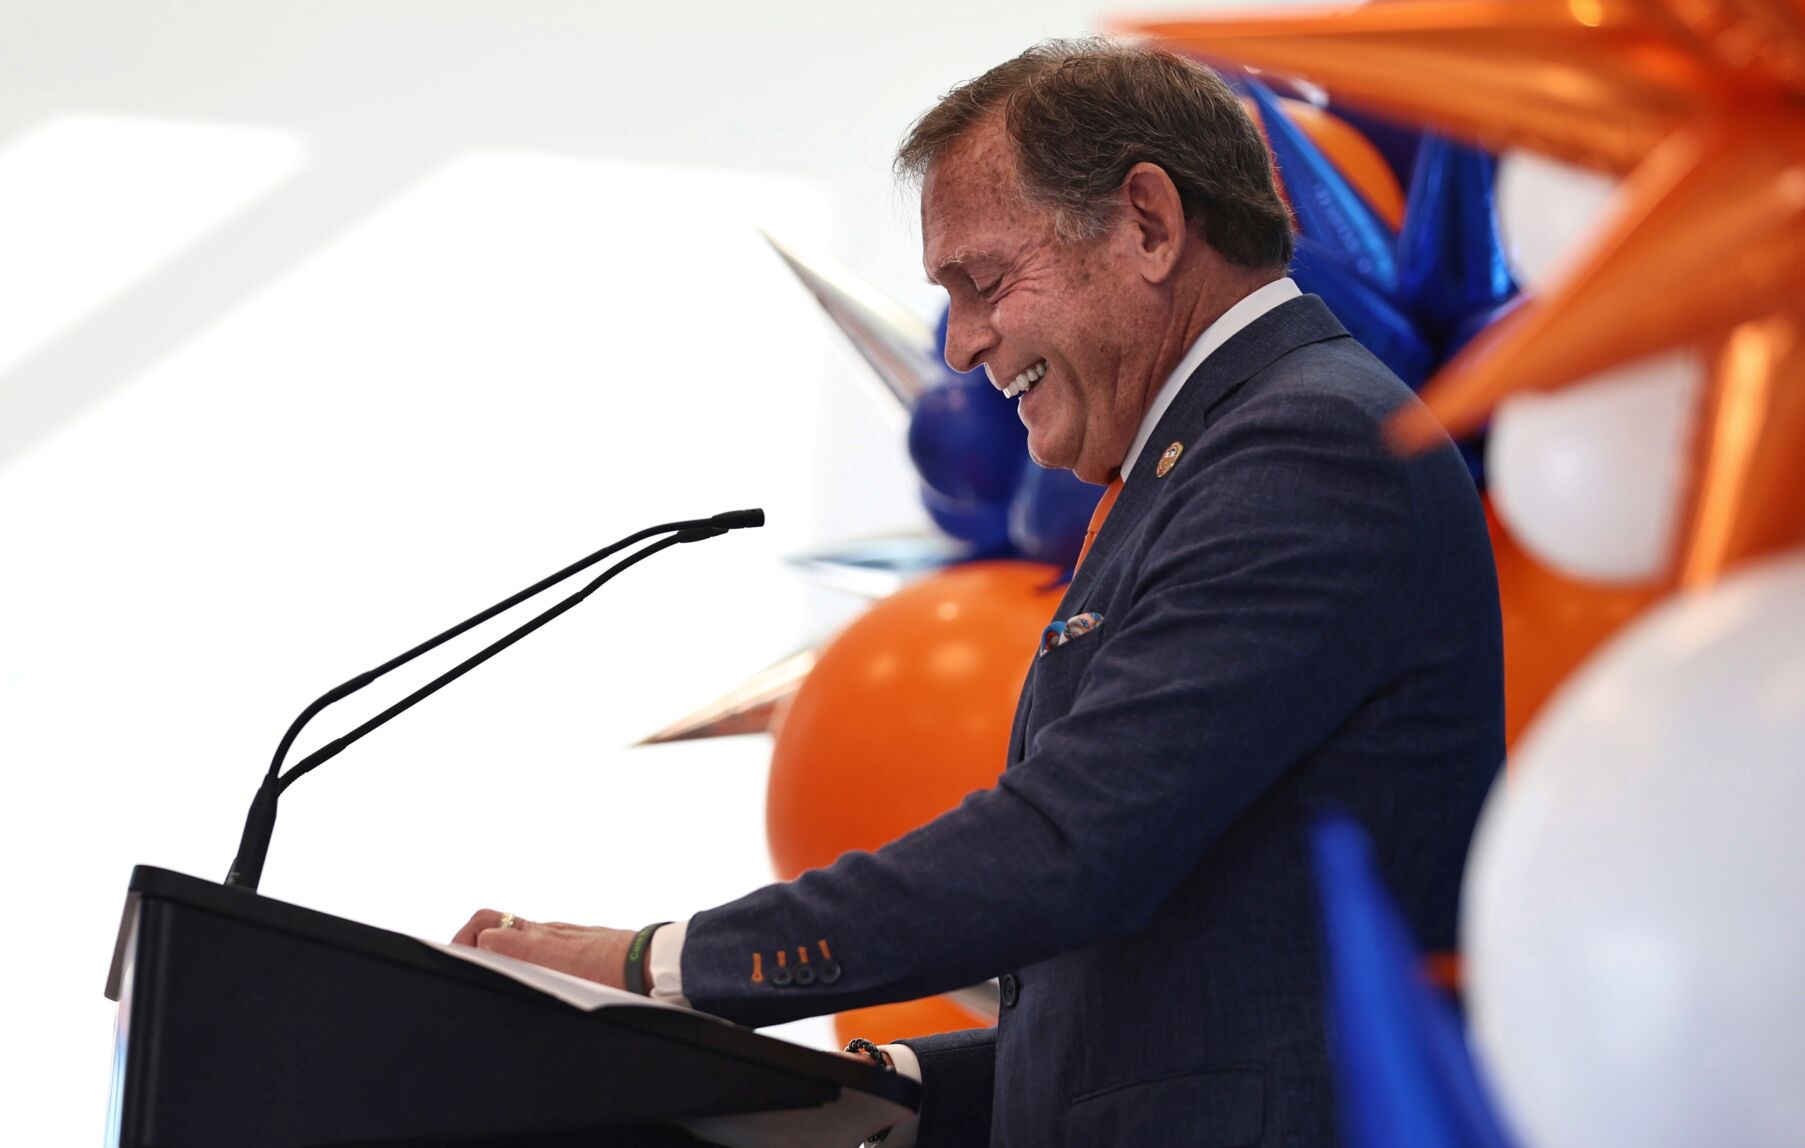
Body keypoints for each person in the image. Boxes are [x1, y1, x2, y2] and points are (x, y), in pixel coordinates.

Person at [454, 39, 1503, 1147]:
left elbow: (1071, 848)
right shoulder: (1223, 448)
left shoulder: (1301, 441)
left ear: (1146, 222)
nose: (958, 347)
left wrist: (652, 966)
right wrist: (893, 1085)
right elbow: (1188, 983)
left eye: (984, 281)